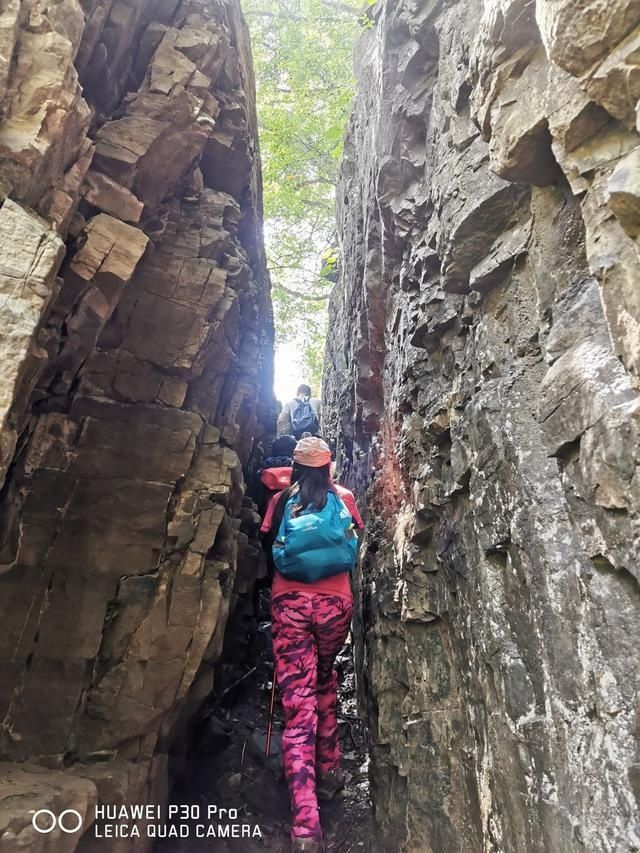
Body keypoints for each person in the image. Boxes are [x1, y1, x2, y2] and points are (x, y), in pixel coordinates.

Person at [267, 437, 362, 853]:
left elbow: (267, 544)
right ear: (328, 467)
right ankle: (330, 770)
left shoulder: (282, 499)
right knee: (324, 677)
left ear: (296, 467)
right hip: (334, 604)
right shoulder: (343, 497)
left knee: (297, 704)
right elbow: (354, 542)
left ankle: (306, 827)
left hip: (289, 604)